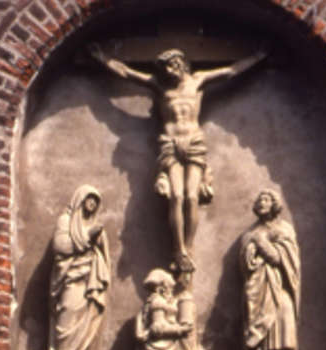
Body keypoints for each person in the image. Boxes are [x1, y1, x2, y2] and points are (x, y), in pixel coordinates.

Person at [89, 43, 265, 272]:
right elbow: (126, 72)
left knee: (191, 197)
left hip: (193, 142)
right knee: (176, 197)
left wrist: (258, 56)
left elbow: (230, 71)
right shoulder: (159, 86)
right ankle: (179, 249)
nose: (171, 71)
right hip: (170, 144)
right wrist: (101, 57)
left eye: (174, 65)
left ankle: (188, 249)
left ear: (182, 64)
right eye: (166, 68)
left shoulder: (198, 80)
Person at [48, 185, 111, 350]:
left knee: (88, 319)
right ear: (80, 199)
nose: (92, 204)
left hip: (89, 276)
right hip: (71, 278)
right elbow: (61, 246)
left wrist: (100, 238)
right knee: (67, 313)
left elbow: (103, 252)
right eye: (89, 199)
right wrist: (88, 236)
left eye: (95, 201)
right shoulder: (65, 221)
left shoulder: (92, 223)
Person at [241, 190, 301, 350]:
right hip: (259, 286)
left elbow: (281, 257)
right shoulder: (251, 234)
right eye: (259, 199)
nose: (261, 202)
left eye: (266, 199)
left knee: (284, 309)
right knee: (259, 315)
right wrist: (253, 250)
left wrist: (262, 243)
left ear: (275, 204)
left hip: (280, 284)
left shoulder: (285, 229)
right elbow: (246, 263)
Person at [134, 268, 195, 350]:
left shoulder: (161, 301)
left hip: (169, 346)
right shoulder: (158, 302)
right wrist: (180, 330)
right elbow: (157, 328)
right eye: (170, 288)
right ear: (160, 288)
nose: (171, 291)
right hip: (161, 348)